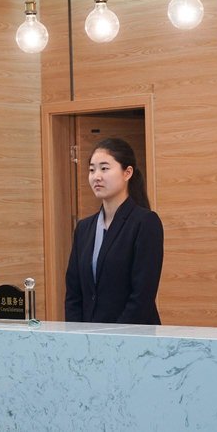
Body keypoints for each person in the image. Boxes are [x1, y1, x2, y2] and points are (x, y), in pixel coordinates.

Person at [64, 138, 164, 325]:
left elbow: (142, 296)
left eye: (104, 168)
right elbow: (73, 294)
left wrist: (112, 336)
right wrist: (77, 333)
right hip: (88, 337)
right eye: (92, 170)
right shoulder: (84, 228)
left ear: (127, 173)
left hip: (132, 335)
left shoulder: (145, 222)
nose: (96, 176)